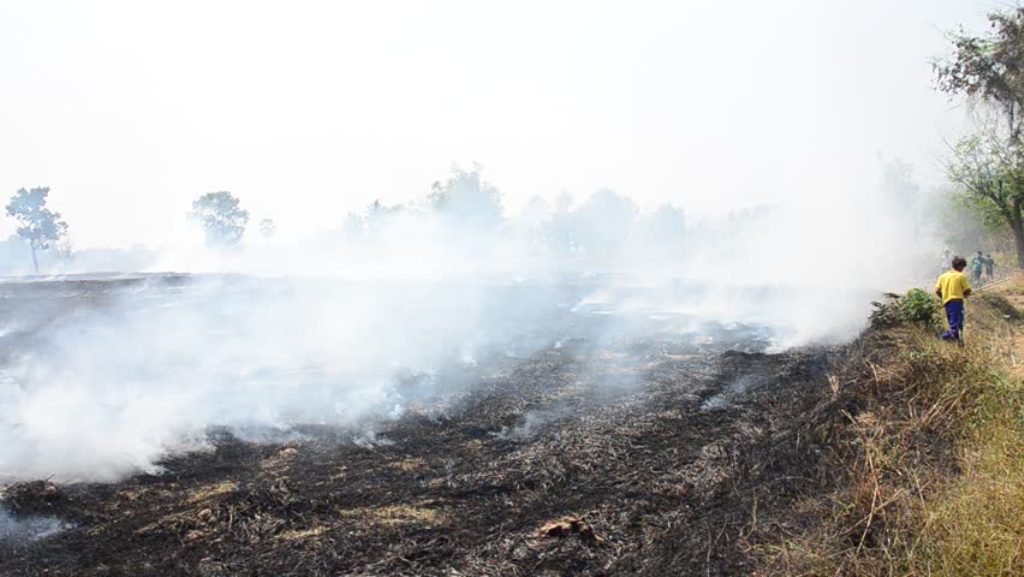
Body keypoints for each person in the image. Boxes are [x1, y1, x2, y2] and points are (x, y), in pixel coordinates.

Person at [936, 256, 972, 343]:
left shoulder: (942, 276)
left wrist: (944, 297)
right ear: (960, 266)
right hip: (957, 303)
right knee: (955, 326)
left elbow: (937, 290)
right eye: (963, 267)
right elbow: (967, 290)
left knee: (956, 324)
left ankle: (959, 343)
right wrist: (965, 295)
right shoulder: (960, 276)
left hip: (947, 303)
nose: (963, 269)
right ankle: (940, 338)